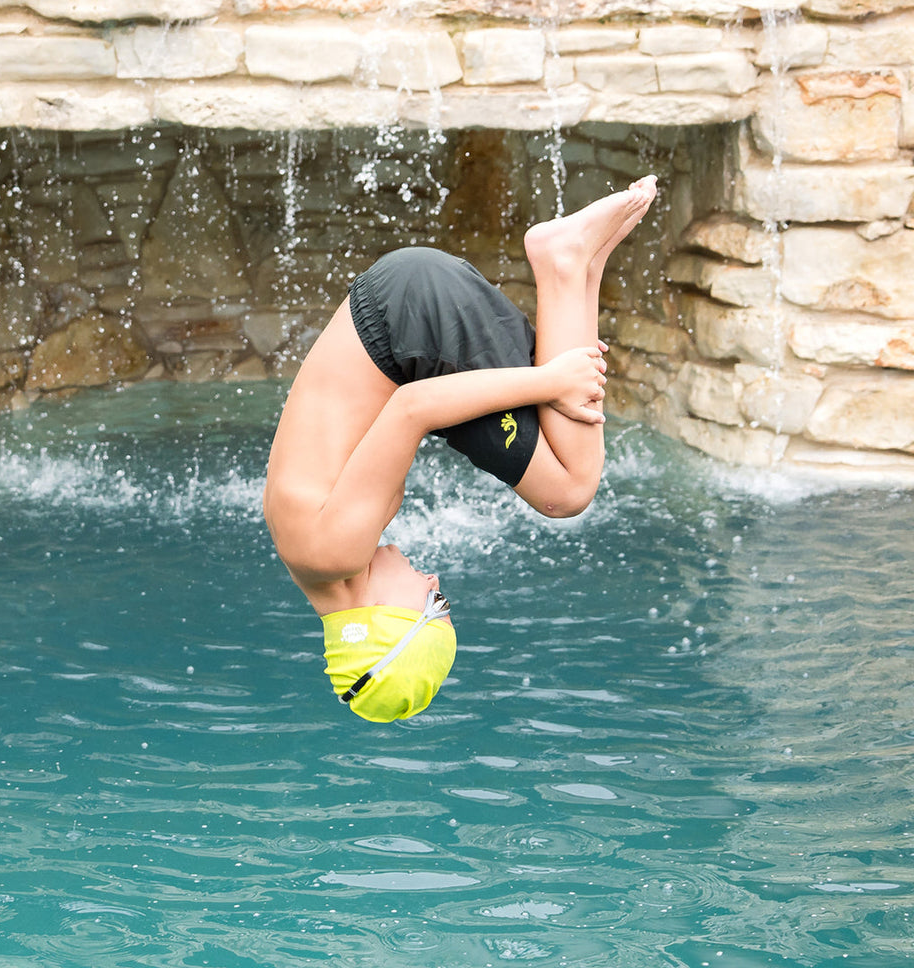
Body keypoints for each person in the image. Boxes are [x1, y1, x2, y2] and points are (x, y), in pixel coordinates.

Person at [263, 175, 658, 722]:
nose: (433, 582)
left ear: (386, 623)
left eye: (434, 603)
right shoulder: (316, 559)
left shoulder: (334, 552)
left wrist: (552, 383)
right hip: (404, 322)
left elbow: (413, 409)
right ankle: (584, 266)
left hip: (410, 321)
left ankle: (566, 261)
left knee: (567, 490)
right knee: (556, 456)